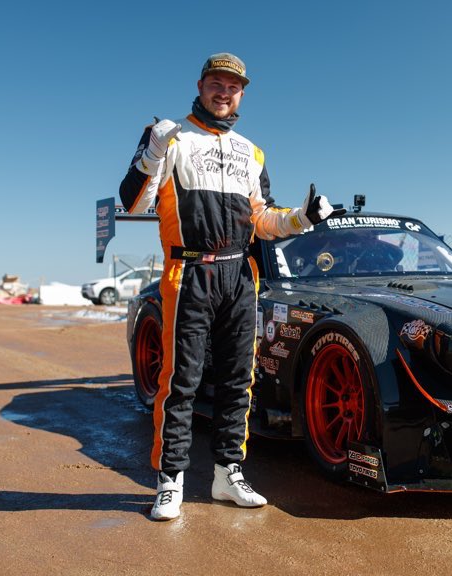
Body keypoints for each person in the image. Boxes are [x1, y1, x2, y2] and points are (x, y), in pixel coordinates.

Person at [119, 52, 343, 520]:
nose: (224, 92)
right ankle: (170, 480)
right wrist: (153, 151)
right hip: (189, 273)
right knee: (181, 380)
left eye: (234, 86)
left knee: (239, 380)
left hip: (240, 276)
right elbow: (135, 201)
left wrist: (303, 218)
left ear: (242, 93)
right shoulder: (168, 135)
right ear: (200, 85)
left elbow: (260, 219)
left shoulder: (252, 151)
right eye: (217, 83)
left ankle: (228, 473)